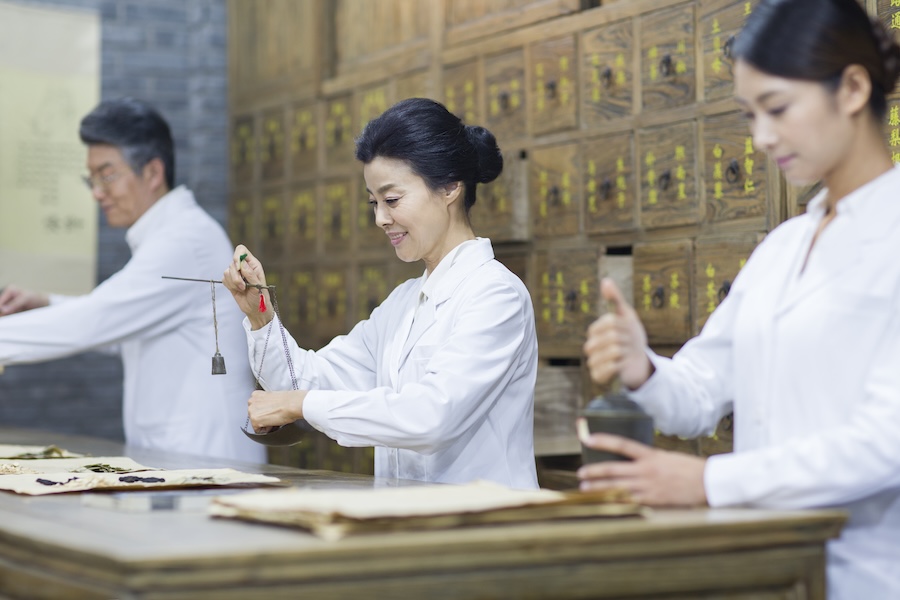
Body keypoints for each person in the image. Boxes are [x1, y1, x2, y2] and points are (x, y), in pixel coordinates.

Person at [578, 0, 900, 597]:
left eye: (777, 109)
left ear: (853, 88)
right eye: (750, 114)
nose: (760, 138)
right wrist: (643, 368)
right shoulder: (785, 246)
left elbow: (885, 443)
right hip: (768, 573)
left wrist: (710, 483)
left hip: (870, 576)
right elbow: (702, 390)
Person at [224, 98, 538, 488]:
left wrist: (301, 404)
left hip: (484, 529)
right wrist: (261, 315)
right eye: (374, 203)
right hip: (410, 526)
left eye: (392, 200)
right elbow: (305, 380)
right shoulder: (403, 303)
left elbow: (431, 416)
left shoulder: (496, 295)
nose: (380, 218)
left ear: (451, 186)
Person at [0, 98, 264, 463]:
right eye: (91, 178)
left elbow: (96, 321)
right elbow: (121, 320)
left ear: (152, 173)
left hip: (209, 459)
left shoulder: (183, 241)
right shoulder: (168, 236)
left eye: (107, 175)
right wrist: (47, 303)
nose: (96, 192)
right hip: (182, 456)